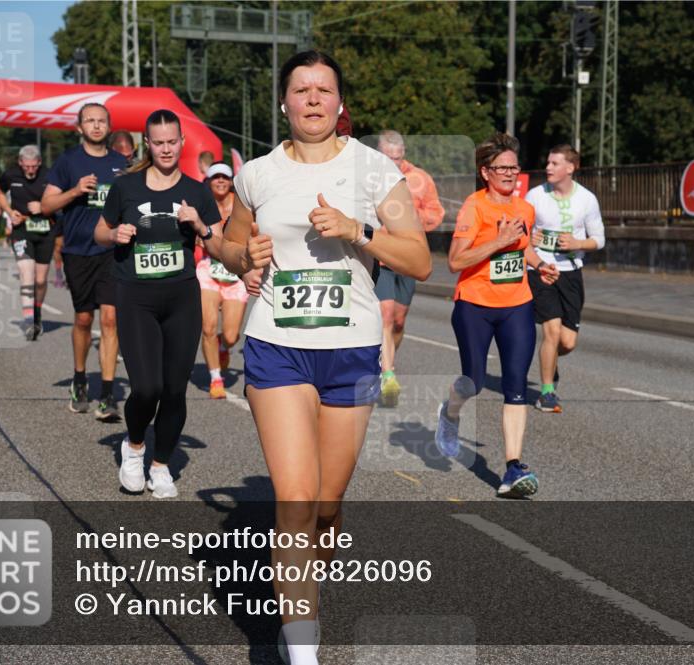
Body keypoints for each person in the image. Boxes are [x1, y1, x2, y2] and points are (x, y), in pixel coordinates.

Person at [220, 50, 431, 665]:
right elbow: (230, 245)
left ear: (340, 104)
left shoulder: (373, 170)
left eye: (323, 89)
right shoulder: (257, 175)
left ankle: (305, 591)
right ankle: (303, 650)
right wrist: (243, 257)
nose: (312, 98)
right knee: (295, 500)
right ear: (284, 103)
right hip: (277, 347)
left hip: (351, 350)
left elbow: (419, 260)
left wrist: (357, 231)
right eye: (301, 89)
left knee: (326, 507)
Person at [94, 109, 221, 497]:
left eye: (172, 142)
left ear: (182, 142)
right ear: (147, 143)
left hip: (182, 297)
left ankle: (161, 465)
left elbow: (217, 243)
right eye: (159, 142)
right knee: (147, 387)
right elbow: (99, 232)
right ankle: (134, 447)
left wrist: (199, 226)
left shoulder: (197, 191)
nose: (166, 149)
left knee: (175, 389)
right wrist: (115, 234)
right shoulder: (126, 187)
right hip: (136, 297)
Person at [434, 132, 558, 498]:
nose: (509, 174)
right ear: (485, 172)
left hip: (517, 304)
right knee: (472, 381)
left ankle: (513, 467)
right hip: (475, 305)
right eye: (501, 168)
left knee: (515, 386)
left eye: (514, 168)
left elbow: (523, 248)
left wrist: (540, 265)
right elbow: (456, 260)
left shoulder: (524, 209)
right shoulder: (474, 208)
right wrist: (498, 242)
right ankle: (450, 413)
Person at [41, 102, 127, 421]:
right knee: (83, 319)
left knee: (110, 319)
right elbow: (47, 205)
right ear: (79, 128)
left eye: (101, 120)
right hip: (78, 251)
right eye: (90, 121)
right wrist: (75, 191)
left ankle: (107, 394)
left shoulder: (121, 164)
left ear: (109, 126)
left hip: (112, 252)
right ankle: (79, 379)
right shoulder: (68, 162)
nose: (96, 125)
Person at [525, 144, 605, 413]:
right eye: (548, 162)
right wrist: (530, 238)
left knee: (567, 342)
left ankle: (550, 364)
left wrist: (577, 243)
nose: (548, 167)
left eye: (555, 163)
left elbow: (599, 240)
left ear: (570, 167)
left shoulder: (587, 199)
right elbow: (520, 233)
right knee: (552, 331)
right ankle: (547, 393)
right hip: (542, 270)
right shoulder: (535, 196)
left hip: (571, 273)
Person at [374, 130, 445, 407]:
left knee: (399, 320)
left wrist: (409, 219)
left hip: (408, 257)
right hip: (381, 255)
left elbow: (436, 213)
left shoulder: (420, 179)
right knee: (385, 314)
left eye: (398, 157)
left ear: (403, 154)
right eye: (388, 158)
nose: (394, 162)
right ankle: (387, 374)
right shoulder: (371, 178)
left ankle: (387, 360)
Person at [195, 162, 255, 399]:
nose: (220, 181)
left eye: (225, 177)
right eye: (215, 177)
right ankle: (215, 378)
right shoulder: (202, 203)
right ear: (208, 181)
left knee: (231, 336)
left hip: (234, 274)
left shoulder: (241, 205)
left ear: (231, 181)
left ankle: (223, 346)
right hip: (209, 270)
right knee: (208, 327)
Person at [0, 145, 53, 340]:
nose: (30, 170)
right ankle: (29, 321)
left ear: (39, 162)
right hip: (21, 230)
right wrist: (9, 212)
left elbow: (61, 199)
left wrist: (43, 207)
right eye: (26, 166)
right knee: (26, 273)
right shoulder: (11, 175)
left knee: (40, 280)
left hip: (46, 230)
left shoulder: (50, 175)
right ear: (20, 163)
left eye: (34, 166)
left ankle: (37, 313)